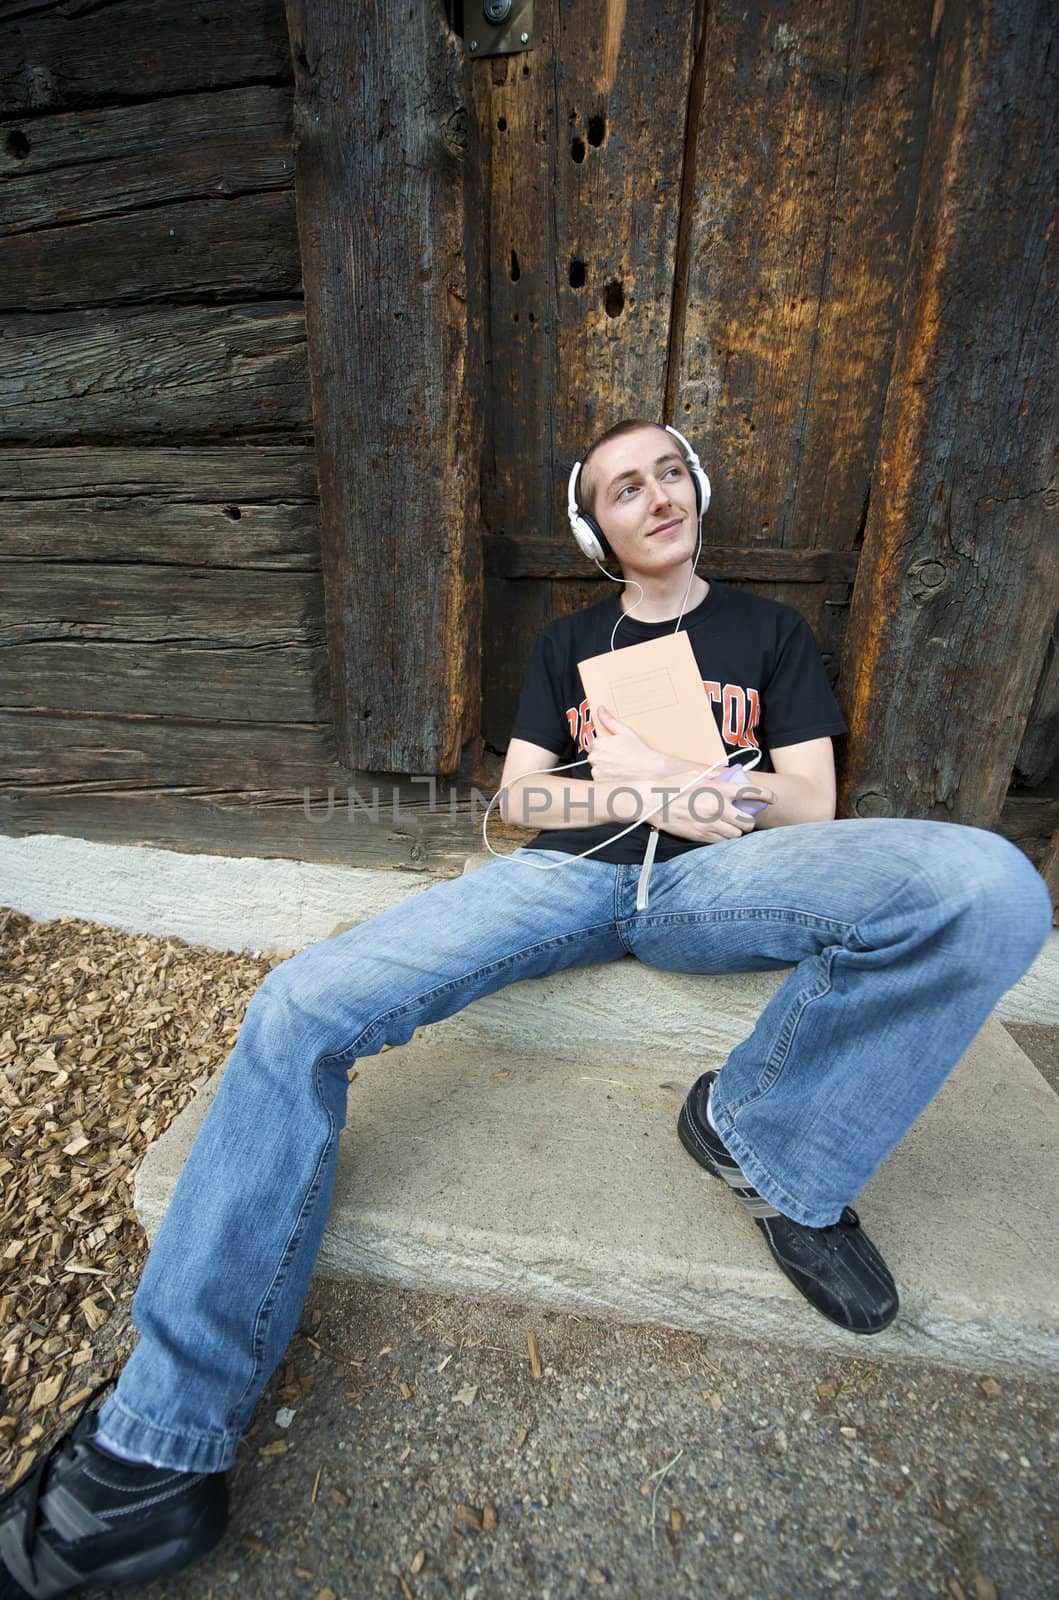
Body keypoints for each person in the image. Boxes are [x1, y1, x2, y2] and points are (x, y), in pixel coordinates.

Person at [1, 421, 1050, 1598]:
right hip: (571, 873)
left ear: (695, 489)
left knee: (988, 886)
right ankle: (156, 1447)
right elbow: (520, 797)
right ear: (593, 528)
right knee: (300, 1002)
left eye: (666, 473)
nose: (651, 496)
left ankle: (766, 1139)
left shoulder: (772, 631)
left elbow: (810, 803)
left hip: (722, 881)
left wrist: (721, 807)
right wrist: (652, 785)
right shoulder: (569, 643)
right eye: (620, 488)